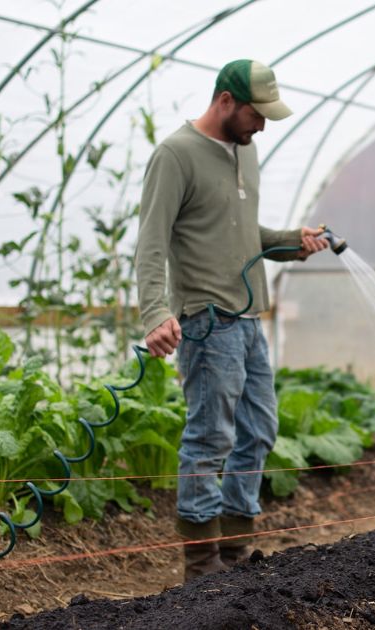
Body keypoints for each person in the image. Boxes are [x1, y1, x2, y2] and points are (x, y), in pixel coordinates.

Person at [134, 59, 328, 582]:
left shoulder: (247, 151)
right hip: (207, 322)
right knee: (210, 438)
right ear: (225, 101)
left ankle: (236, 558)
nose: (262, 125)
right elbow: (151, 243)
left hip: (247, 321)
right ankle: (201, 568)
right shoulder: (175, 155)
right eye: (256, 114)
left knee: (259, 429)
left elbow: (243, 235)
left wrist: (293, 242)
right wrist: (155, 313)